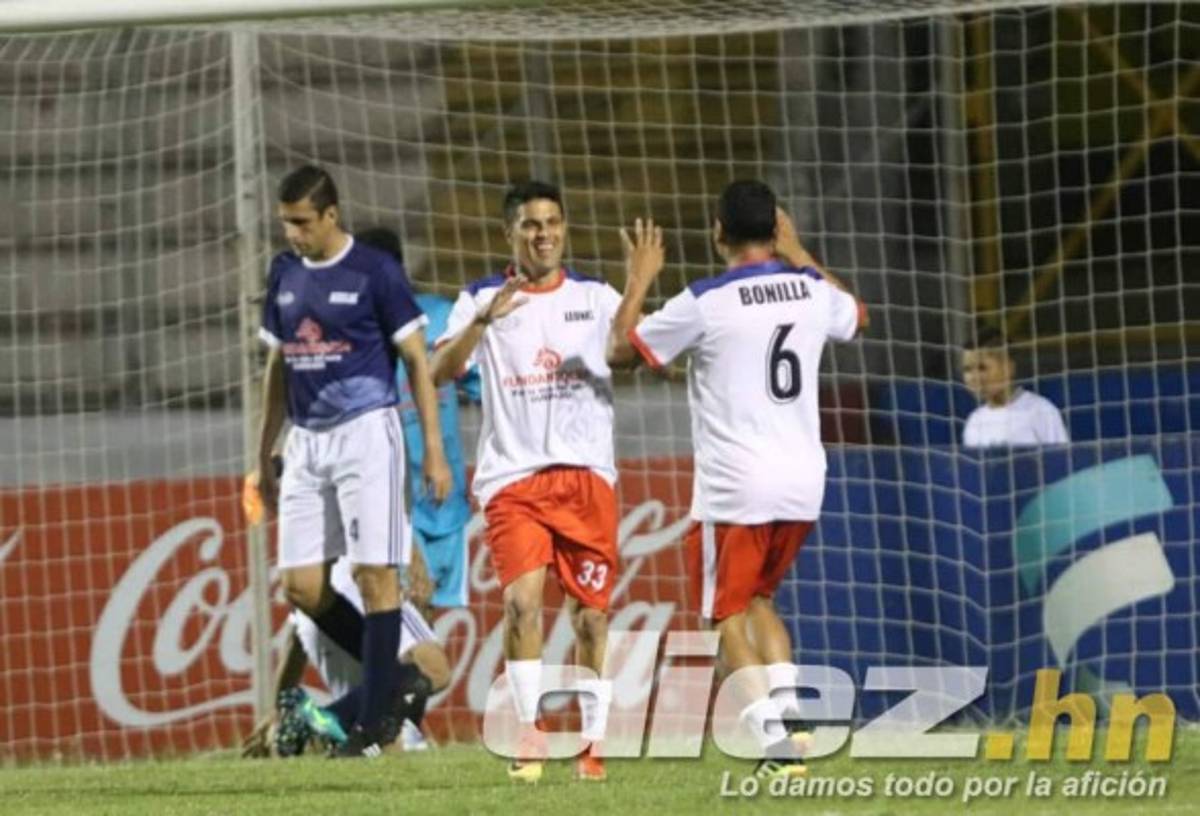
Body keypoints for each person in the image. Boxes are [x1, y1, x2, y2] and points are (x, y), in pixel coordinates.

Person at [606, 180, 867, 780]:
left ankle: (772, 744)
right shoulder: (808, 290)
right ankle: (794, 721)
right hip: (804, 480)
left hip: (737, 486)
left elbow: (622, 349)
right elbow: (857, 316)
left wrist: (640, 274)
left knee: (719, 618)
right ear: (777, 231)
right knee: (758, 599)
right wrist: (800, 254)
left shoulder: (707, 301)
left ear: (717, 232)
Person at [255, 164, 451, 757]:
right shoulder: (285, 275)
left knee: (375, 577)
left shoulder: (374, 272)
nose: (293, 233)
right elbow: (278, 364)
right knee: (301, 585)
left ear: (331, 216)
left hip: (367, 431)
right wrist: (264, 448)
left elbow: (417, 360)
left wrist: (434, 453)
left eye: (302, 222)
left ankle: (369, 722)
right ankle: (390, 687)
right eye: (286, 222)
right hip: (307, 440)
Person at [431, 180, 620, 783]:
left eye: (553, 222)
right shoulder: (481, 297)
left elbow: (636, 347)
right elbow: (439, 371)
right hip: (513, 479)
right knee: (520, 604)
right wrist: (483, 322)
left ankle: (592, 742)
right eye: (531, 225)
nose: (544, 234)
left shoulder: (594, 295)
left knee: (590, 619)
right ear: (508, 233)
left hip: (587, 476)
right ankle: (531, 736)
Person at [356, 226, 479, 610]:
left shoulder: (440, 318)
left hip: (444, 498)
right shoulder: (356, 340)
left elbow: (484, 386)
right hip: (390, 501)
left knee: (426, 619)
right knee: (402, 614)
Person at [240, 556, 451, 758]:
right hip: (362, 576)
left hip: (319, 587)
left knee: (383, 735)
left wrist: (280, 712)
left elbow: (296, 640)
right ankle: (324, 720)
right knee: (432, 668)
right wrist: (413, 554)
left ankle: (333, 725)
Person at [960, 332, 1069, 448]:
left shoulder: (1041, 411)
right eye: (967, 369)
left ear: (1009, 368)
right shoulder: (974, 421)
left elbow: (1062, 461)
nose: (973, 377)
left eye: (982, 368)